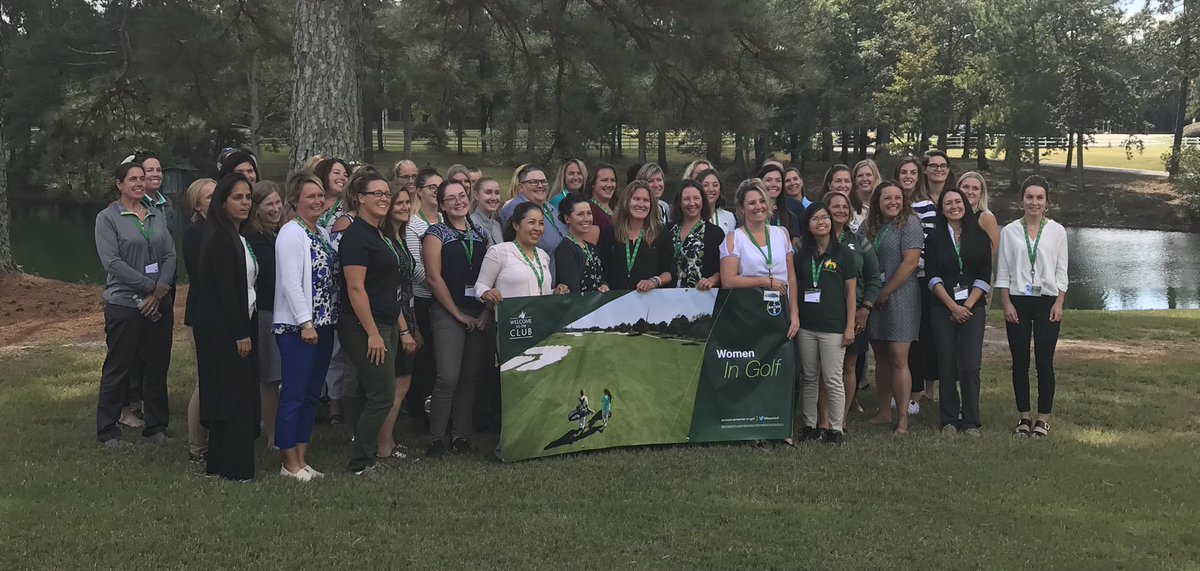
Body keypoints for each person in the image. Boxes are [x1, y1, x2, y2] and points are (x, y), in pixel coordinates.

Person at [94, 162, 177, 448]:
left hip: (158, 302)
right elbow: (113, 263)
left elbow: (169, 255)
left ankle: (156, 427)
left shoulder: (155, 215)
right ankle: (107, 430)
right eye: (133, 179)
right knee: (120, 365)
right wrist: (149, 287)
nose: (140, 183)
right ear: (119, 184)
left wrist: (159, 291)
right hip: (125, 304)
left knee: (156, 365)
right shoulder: (108, 218)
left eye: (143, 178)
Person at [273, 172, 340, 481]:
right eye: (310, 196)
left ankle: (302, 458)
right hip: (299, 328)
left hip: (324, 325)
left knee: (312, 394)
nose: (317, 201)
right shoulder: (291, 232)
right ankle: (289, 463)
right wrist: (305, 322)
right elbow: (291, 283)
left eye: (320, 196)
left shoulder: (322, 233)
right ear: (295, 200)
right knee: (295, 393)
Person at [337, 169, 404, 476]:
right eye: (375, 194)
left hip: (387, 322)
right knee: (382, 396)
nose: (383, 199)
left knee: (377, 392)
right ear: (359, 198)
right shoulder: (355, 236)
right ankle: (360, 462)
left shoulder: (380, 232)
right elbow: (355, 288)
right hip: (364, 326)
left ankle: (367, 454)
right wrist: (373, 333)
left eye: (386, 194)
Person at [194, 173, 260, 481]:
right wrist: (240, 332)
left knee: (229, 395)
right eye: (238, 197)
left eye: (248, 197)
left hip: (234, 323)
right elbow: (224, 289)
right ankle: (235, 468)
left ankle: (219, 465)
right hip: (225, 330)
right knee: (236, 397)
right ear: (222, 203)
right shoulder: (220, 237)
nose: (245, 203)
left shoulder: (237, 235)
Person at [996, 175, 1068, 439]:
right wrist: (1005, 303)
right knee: (1020, 362)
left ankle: (1043, 419)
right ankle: (1024, 417)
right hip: (1017, 301)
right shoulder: (1009, 231)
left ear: (1047, 202)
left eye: (1039, 198)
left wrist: (1060, 301)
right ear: (1021, 200)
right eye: (1029, 197)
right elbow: (1002, 271)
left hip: (1047, 301)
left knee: (1044, 362)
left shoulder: (1057, 231)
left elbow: (1062, 271)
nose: (1034, 202)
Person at [424, 179, 490, 457]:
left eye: (461, 196)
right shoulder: (435, 233)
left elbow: (490, 276)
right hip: (448, 312)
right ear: (441, 205)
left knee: (469, 376)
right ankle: (437, 436)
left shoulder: (481, 233)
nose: (458, 202)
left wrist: (486, 312)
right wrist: (457, 314)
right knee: (448, 376)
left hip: (478, 312)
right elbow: (432, 277)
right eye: (450, 198)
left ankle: (461, 434)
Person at [925, 187, 993, 435]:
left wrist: (966, 306)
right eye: (948, 203)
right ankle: (949, 420)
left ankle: (971, 419)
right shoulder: (934, 238)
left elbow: (984, 276)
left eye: (958, 201)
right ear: (941, 209)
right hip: (942, 308)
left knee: (971, 365)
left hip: (973, 308)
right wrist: (952, 306)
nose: (954, 206)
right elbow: (932, 277)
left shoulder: (980, 235)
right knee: (946, 363)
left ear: (965, 204)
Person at [861, 180, 923, 434]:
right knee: (881, 354)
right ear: (878, 201)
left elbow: (910, 263)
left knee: (898, 355)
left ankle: (902, 420)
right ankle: (884, 412)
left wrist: (885, 292)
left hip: (900, 294)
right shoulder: (869, 226)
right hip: (874, 295)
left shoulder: (910, 223)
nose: (893, 202)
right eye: (887, 198)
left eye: (897, 198)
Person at [817, 191, 881, 434]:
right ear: (825, 210)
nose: (841, 210)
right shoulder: (812, 241)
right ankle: (824, 419)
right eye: (835, 206)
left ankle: (841, 418)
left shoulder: (860, 241)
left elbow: (874, 278)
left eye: (845, 207)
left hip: (853, 316)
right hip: (821, 315)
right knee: (824, 369)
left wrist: (865, 309)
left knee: (849, 367)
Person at [795, 202, 857, 445]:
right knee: (809, 377)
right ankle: (809, 426)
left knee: (832, 378)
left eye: (825, 218)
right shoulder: (802, 255)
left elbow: (851, 293)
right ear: (808, 226)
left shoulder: (843, 253)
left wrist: (850, 325)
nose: (821, 222)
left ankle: (835, 428)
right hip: (806, 326)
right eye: (815, 219)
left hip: (834, 327)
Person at [718, 179, 800, 339]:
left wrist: (794, 313)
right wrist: (766, 282)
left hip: (781, 311)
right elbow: (728, 281)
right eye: (752, 203)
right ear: (742, 208)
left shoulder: (781, 234)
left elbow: (791, 277)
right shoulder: (734, 238)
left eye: (762, 201)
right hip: (749, 312)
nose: (758, 207)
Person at [377, 183, 419, 461]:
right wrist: (404, 330)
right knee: (397, 384)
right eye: (398, 202)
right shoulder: (384, 239)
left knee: (402, 382)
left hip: (408, 311)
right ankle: (383, 445)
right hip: (394, 316)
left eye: (407, 202)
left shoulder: (401, 236)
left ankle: (388, 439)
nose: (403, 207)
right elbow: (390, 289)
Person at [245, 181, 284, 450]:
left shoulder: (280, 232)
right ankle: (271, 435)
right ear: (256, 208)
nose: (276, 208)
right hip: (267, 311)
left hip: (285, 311)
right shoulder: (255, 238)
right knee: (270, 377)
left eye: (278, 202)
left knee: (281, 375)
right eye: (268, 204)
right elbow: (271, 277)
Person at [897, 155, 937, 414]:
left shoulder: (927, 206)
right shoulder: (893, 202)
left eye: (912, 172)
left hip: (917, 278)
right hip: (896, 276)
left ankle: (917, 392)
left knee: (918, 336)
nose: (908, 177)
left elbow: (928, 245)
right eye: (903, 172)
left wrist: (912, 267)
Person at [182, 177, 215, 461]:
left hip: (226, 315)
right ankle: (197, 447)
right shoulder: (195, 234)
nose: (215, 200)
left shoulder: (226, 229)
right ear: (197, 204)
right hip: (203, 315)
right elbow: (203, 277)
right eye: (209, 196)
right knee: (205, 379)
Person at [407, 168, 442, 420]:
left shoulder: (445, 218)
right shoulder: (412, 224)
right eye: (432, 187)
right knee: (425, 356)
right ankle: (420, 410)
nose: (437, 192)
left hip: (443, 296)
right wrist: (441, 283)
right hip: (423, 298)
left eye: (441, 187)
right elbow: (415, 268)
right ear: (419, 191)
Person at [598, 181, 675, 292]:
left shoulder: (661, 233)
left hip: (649, 302)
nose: (641, 204)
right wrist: (603, 284)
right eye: (636, 199)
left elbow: (670, 271)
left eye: (646, 200)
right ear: (626, 202)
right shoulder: (611, 232)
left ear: (652, 205)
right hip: (616, 302)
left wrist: (654, 281)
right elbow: (601, 268)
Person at [499, 165, 567, 278]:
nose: (540, 186)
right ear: (521, 187)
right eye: (533, 182)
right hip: (530, 278)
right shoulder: (515, 209)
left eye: (544, 182)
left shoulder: (552, 209)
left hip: (554, 281)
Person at [666, 181, 723, 290]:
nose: (692, 203)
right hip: (669, 297)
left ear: (703, 200)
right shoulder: (668, 230)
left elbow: (722, 271)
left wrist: (711, 280)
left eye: (696, 198)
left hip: (701, 296)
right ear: (679, 202)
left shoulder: (715, 233)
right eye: (686, 199)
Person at [554, 193, 609, 294]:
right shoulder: (566, 248)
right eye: (580, 214)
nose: (586, 218)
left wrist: (604, 286)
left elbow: (601, 278)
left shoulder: (591, 247)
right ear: (567, 219)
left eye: (589, 213)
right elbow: (572, 289)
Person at [958, 171, 1000, 257]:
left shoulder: (986, 218)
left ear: (981, 193)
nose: (970, 192)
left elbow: (993, 254)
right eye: (965, 187)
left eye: (975, 188)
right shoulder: (952, 215)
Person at [314, 158, 350, 233]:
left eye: (345, 175)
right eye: (337, 173)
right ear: (324, 174)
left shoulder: (348, 206)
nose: (342, 178)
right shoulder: (310, 202)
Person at [758, 165, 795, 236]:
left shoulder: (790, 217)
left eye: (778, 181)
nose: (774, 184)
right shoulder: (750, 214)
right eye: (768, 180)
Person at [696, 169, 736, 234]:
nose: (711, 189)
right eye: (706, 185)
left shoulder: (729, 217)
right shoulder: (692, 216)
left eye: (715, 185)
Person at [583, 162, 619, 234]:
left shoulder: (615, 209)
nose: (609, 185)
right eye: (604, 180)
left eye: (613, 180)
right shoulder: (589, 210)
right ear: (593, 183)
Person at [470, 177, 504, 245]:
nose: (494, 198)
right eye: (488, 193)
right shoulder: (470, 224)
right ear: (476, 195)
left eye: (497, 193)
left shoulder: (497, 225)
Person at [850, 159, 880, 232]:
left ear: (875, 178)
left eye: (868, 175)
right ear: (855, 180)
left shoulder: (882, 203)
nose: (864, 179)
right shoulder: (848, 204)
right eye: (860, 175)